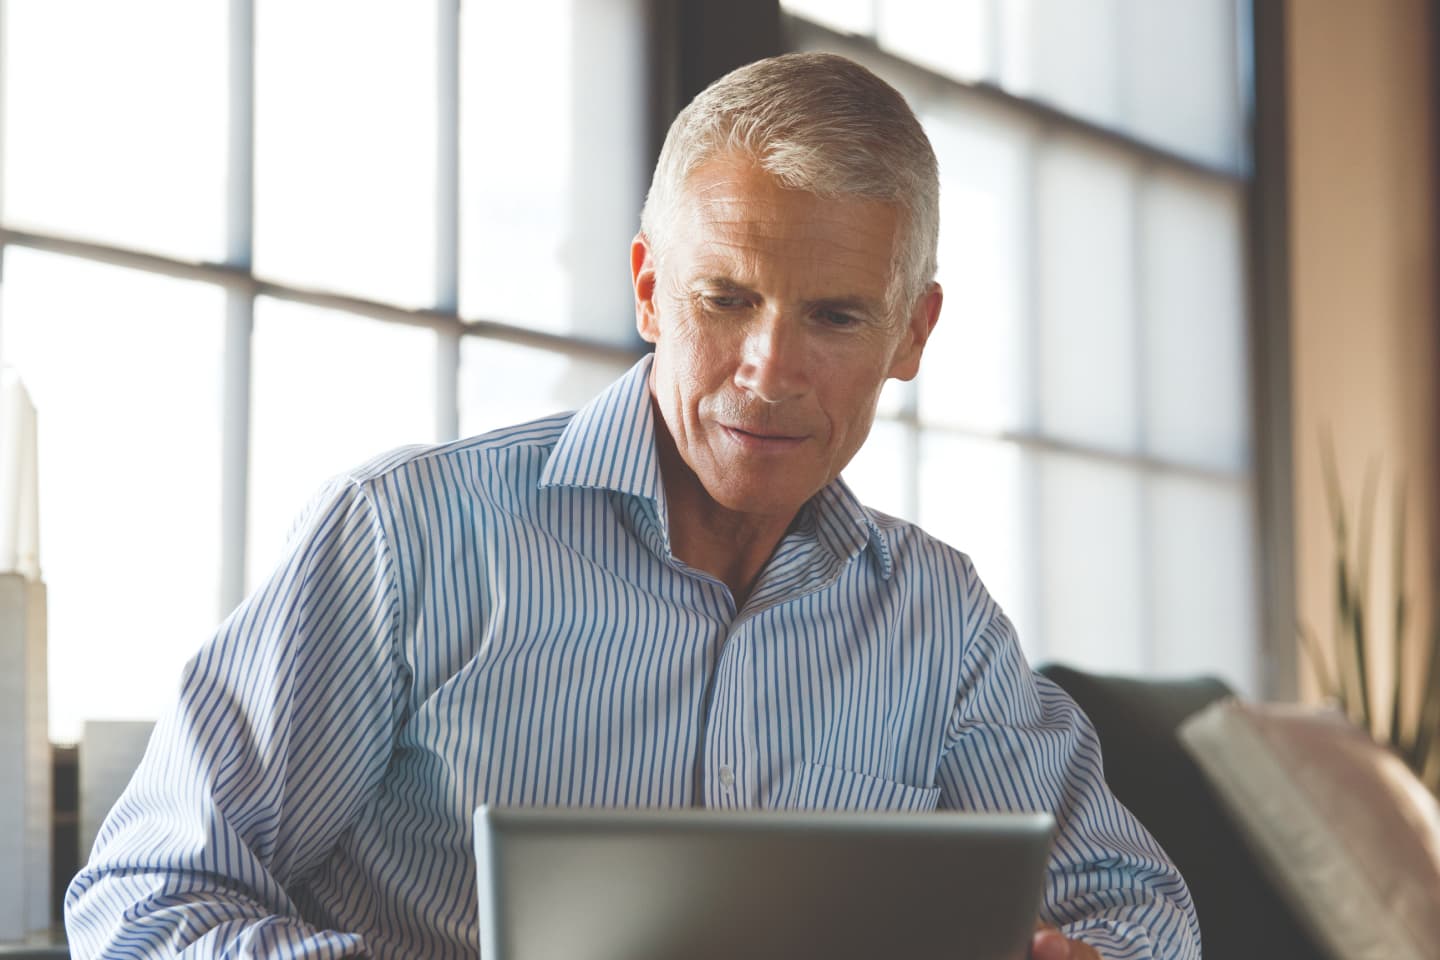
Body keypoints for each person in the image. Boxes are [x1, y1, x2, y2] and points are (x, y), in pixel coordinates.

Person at [66, 52, 1201, 960]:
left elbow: (1143, 910)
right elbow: (148, 898)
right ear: (652, 289)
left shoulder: (939, 619)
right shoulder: (402, 538)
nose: (769, 368)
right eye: (728, 298)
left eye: (838, 317)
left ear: (913, 336)